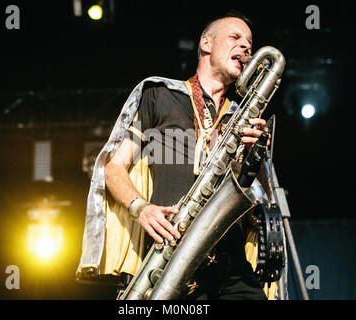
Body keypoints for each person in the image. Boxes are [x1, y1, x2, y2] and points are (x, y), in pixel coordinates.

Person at [76, 11, 272, 300]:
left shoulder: (244, 115)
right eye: (235, 37)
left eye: (249, 43)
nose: (246, 47)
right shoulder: (159, 94)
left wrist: (257, 160)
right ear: (206, 43)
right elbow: (113, 167)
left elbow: (261, 204)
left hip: (232, 269)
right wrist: (140, 208)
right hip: (170, 259)